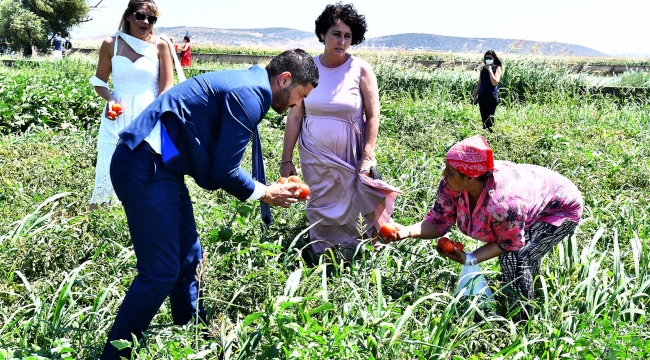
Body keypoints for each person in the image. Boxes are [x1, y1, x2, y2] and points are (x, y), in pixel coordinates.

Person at [101, 49, 319, 359]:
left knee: (189, 258)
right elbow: (225, 171)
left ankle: (190, 334)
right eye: (299, 95)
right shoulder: (251, 94)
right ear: (284, 79)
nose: (297, 104)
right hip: (144, 166)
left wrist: (264, 188)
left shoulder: (246, 84)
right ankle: (114, 355)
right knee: (160, 271)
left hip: (160, 168)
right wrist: (266, 193)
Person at [388, 135, 583, 321]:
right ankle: (535, 294)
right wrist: (407, 231)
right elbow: (439, 220)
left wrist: (470, 259)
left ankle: (522, 323)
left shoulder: (505, 203)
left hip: (559, 209)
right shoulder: (451, 185)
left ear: (470, 178)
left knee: (517, 258)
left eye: (450, 172)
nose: (444, 175)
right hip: (534, 197)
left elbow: (509, 243)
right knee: (524, 258)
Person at [280, 3, 401, 261]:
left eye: (347, 36)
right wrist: (286, 159)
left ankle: (352, 258)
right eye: (336, 33)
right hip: (315, 153)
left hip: (350, 153)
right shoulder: (308, 68)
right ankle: (322, 258)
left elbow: (373, 115)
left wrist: (367, 155)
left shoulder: (360, 69)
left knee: (351, 204)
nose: (342, 41)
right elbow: (295, 116)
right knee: (320, 203)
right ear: (323, 34)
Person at [89, 0, 182, 210]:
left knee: (145, 167)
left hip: (149, 115)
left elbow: (167, 88)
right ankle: (100, 216)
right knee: (109, 163)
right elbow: (99, 83)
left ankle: (139, 214)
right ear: (129, 15)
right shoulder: (110, 43)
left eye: (151, 18)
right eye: (141, 16)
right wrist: (111, 99)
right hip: (116, 114)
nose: (146, 22)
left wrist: (153, 115)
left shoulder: (160, 45)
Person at [473, 50, 502, 131]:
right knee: (484, 117)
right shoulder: (483, 68)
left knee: (490, 117)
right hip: (482, 95)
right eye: (486, 58)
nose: (487, 59)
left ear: (494, 58)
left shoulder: (497, 68)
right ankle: (485, 135)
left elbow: (494, 82)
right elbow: (479, 83)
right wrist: (475, 97)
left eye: (490, 58)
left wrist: (490, 70)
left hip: (491, 95)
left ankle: (491, 134)